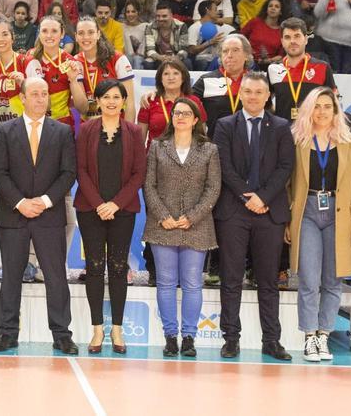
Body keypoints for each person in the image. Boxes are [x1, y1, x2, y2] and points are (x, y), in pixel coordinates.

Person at [0, 77, 78, 355]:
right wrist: (20, 202)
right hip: (13, 214)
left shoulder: (62, 131)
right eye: (35, 94)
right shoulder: (4, 130)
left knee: (55, 276)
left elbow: (68, 172)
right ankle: (7, 333)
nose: (41, 98)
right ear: (23, 98)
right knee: (11, 277)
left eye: (44, 93)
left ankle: (62, 335)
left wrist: (44, 201)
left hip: (49, 215)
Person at [213, 71, 296, 361]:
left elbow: (286, 166)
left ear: (267, 96)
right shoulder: (225, 125)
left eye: (259, 92)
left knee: (268, 281)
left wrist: (263, 197)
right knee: (231, 278)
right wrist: (248, 196)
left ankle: (271, 340)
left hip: (269, 212)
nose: (252, 97)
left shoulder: (282, 126)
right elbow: (224, 166)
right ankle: (230, 339)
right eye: (248, 91)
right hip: (234, 211)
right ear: (241, 94)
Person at [287, 87, 351, 362]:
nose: (322, 112)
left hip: (340, 213)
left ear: (336, 110)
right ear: (309, 109)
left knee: (333, 280)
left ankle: (324, 335)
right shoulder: (297, 139)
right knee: (309, 279)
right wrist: (287, 218)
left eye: (327, 107)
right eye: (317, 106)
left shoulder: (350, 142)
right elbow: (288, 182)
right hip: (307, 212)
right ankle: (309, 336)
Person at [143, 94, 220, 357]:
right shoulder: (157, 146)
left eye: (186, 113)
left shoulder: (209, 149)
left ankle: (189, 337)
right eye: (177, 113)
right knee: (165, 283)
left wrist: (193, 216)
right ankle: (170, 337)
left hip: (196, 226)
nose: (181, 117)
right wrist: (162, 215)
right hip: (162, 225)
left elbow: (213, 188)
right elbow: (149, 185)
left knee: (192, 283)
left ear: (196, 119)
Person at [75, 80, 146, 354]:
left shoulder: (134, 132)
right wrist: (99, 204)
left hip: (123, 210)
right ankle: (97, 329)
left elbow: (139, 173)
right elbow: (81, 170)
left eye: (117, 97)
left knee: (117, 268)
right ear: (98, 101)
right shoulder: (86, 130)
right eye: (106, 97)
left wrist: (115, 204)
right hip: (90, 209)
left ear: (124, 101)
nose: (111, 102)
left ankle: (117, 329)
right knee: (94, 267)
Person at [267, 18, 336, 123]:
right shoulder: (273, 69)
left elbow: (333, 103)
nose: (292, 41)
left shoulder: (322, 67)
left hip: (312, 130)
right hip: (282, 131)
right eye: (287, 37)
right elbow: (266, 103)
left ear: (306, 39)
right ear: (282, 41)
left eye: (297, 36)